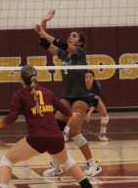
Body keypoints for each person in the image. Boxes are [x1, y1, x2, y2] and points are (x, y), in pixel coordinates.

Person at [0, 65, 94, 188]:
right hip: (56, 138)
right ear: (36, 78)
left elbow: (13, 117)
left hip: (37, 139)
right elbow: (62, 107)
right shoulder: (47, 92)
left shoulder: (20, 94)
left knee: (6, 160)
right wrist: (71, 116)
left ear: (21, 79)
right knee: (67, 161)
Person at [35, 10, 101, 177]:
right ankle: (56, 165)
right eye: (70, 35)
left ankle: (93, 164)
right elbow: (45, 42)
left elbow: (61, 44)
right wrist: (44, 23)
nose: (70, 37)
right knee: (56, 132)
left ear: (80, 42)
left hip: (80, 97)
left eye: (74, 36)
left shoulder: (80, 52)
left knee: (74, 132)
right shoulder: (64, 54)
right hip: (66, 97)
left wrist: (45, 33)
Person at [84, 70, 109, 141]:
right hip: (83, 100)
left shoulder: (97, 86)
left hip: (93, 100)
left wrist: (89, 112)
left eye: (90, 77)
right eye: (86, 77)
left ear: (93, 78)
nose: (88, 79)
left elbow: (95, 102)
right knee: (71, 112)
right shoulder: (81, 86)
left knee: (105, 114)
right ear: (84, 78)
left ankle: (103, 133)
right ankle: (65, 132)